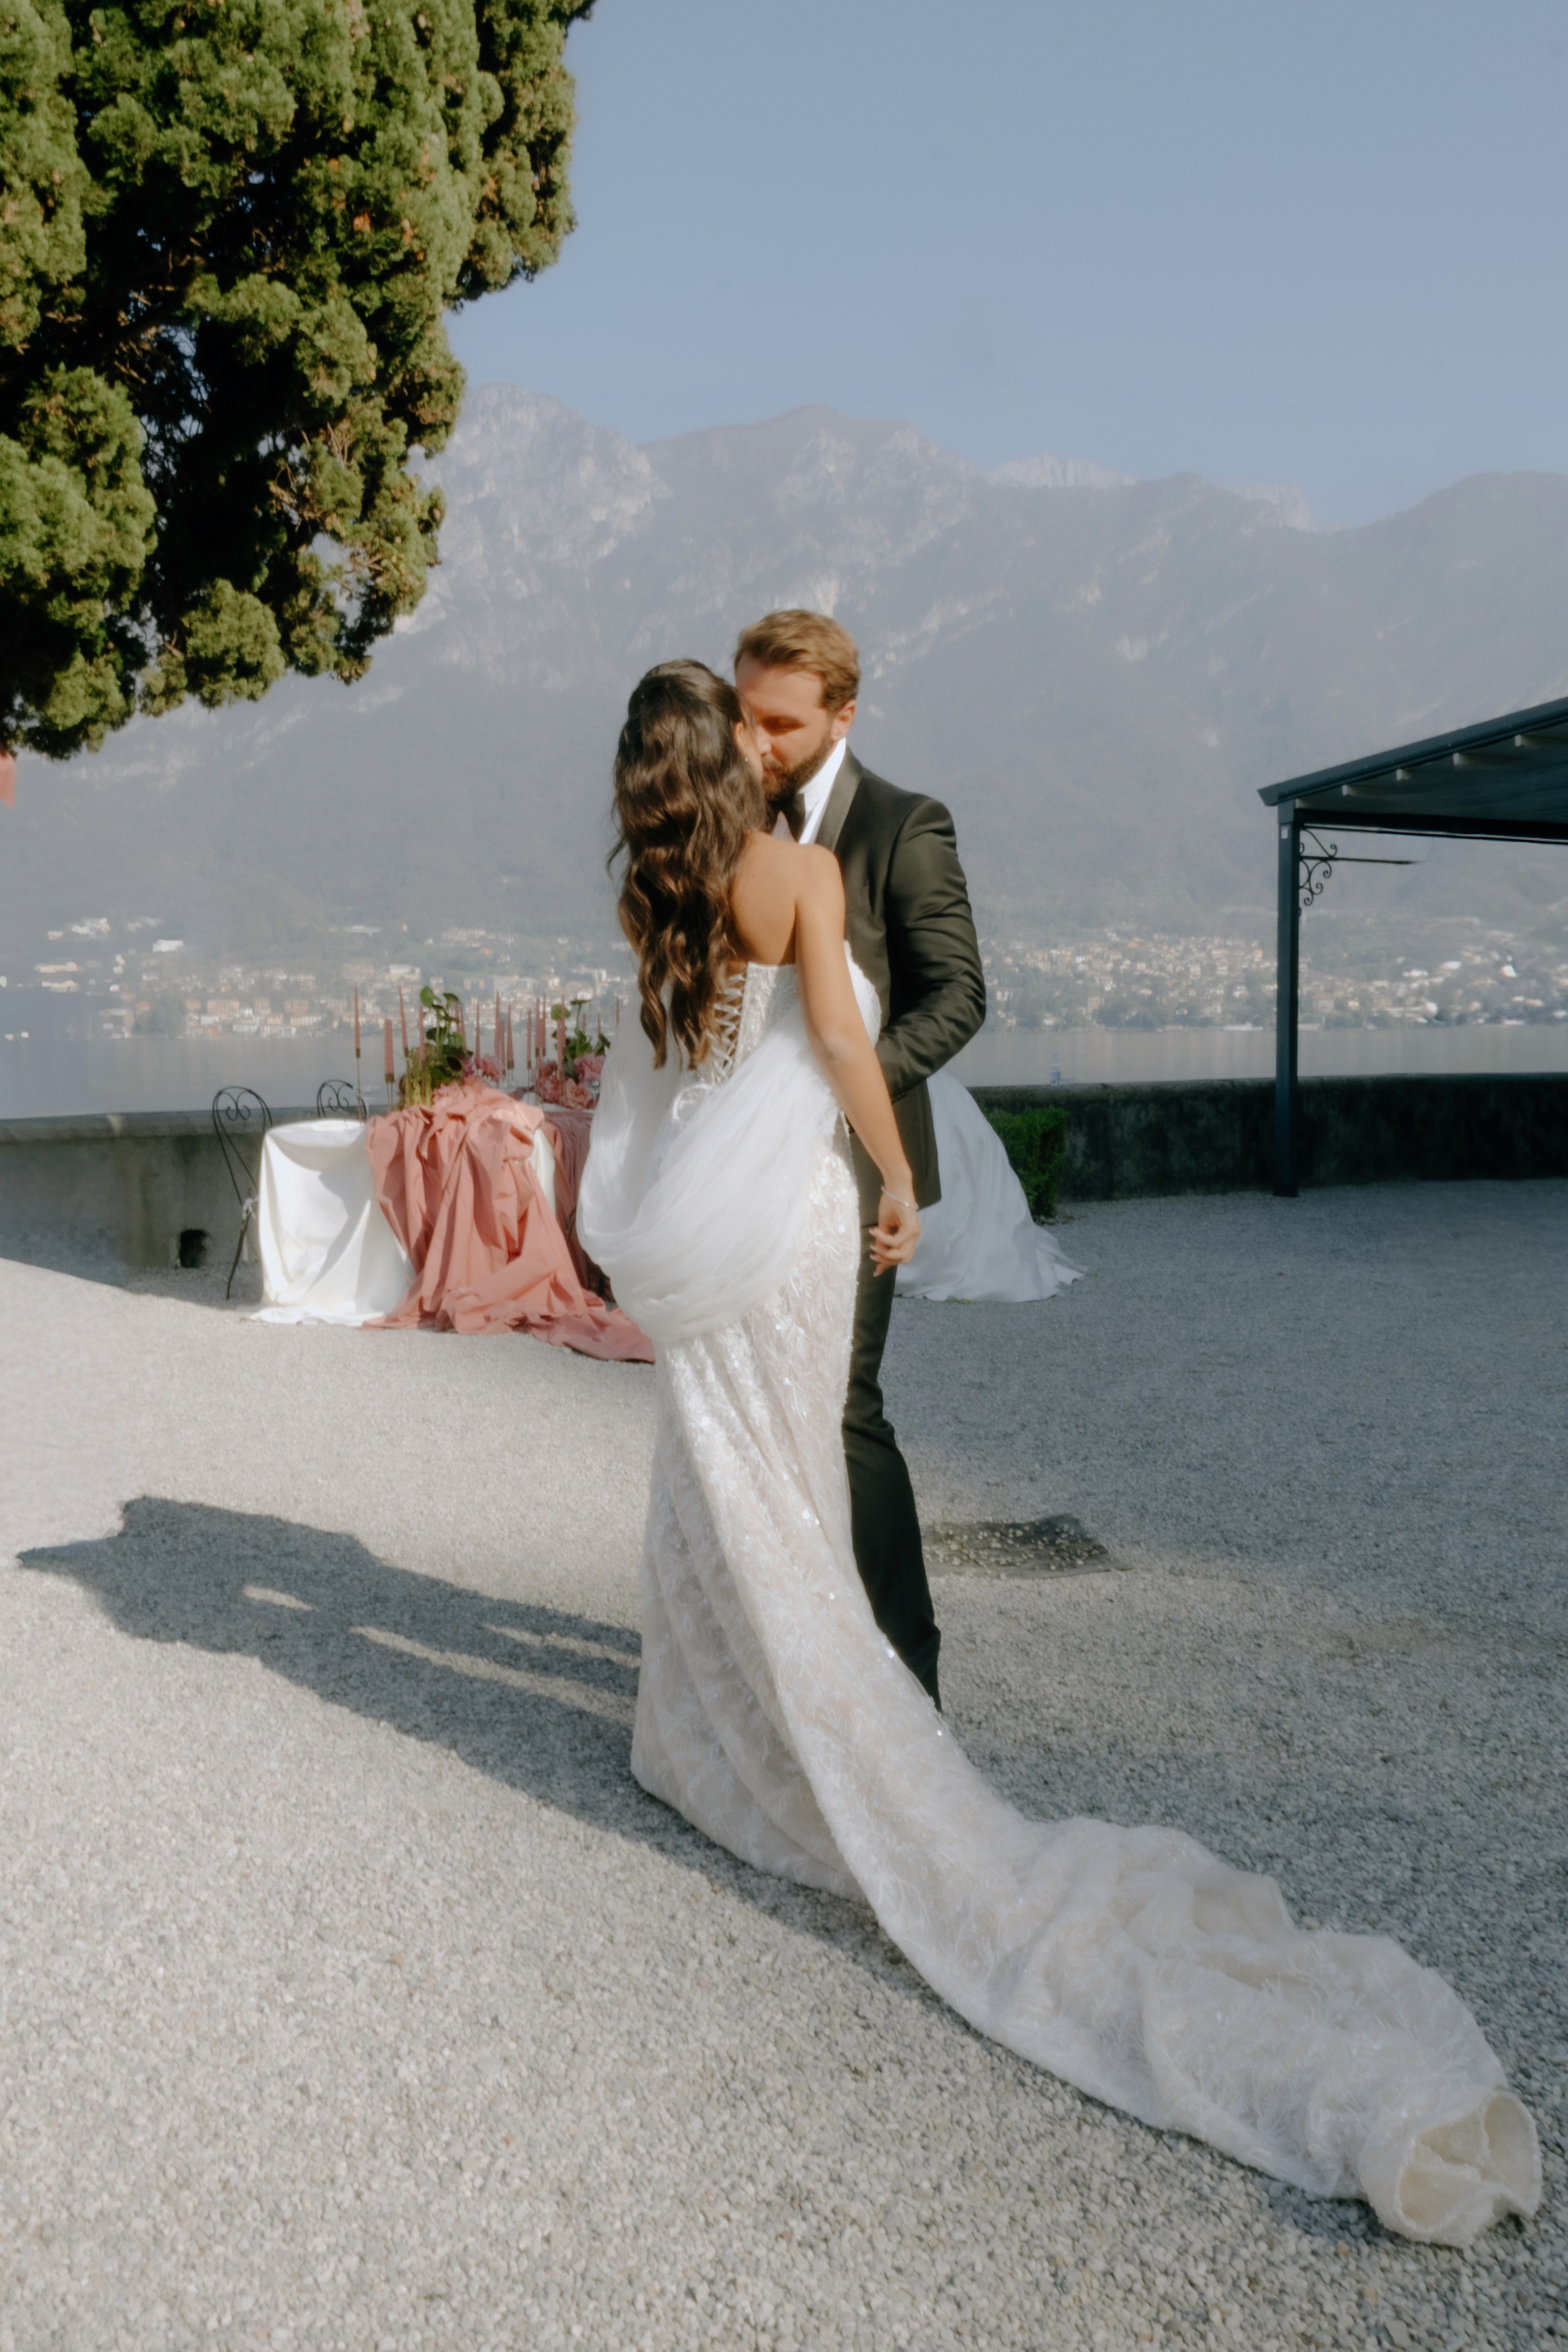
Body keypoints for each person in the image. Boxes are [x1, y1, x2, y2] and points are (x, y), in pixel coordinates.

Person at [576, 659, 1539, 2249]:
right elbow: (836, 1037)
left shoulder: (652, 899)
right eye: (738, 719)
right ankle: (841, 1746)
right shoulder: (798, 869)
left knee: (721, 1481)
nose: (762, 735)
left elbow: (671, 1083)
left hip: (706, 1246)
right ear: (718, 749)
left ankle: (706, 1733)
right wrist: (903, 1186)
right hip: (800, 1229)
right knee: (790, 1488)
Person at [733, 610, 985, 1704]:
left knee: (845, 1404)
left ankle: (907, 1671)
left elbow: (959, 998)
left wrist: (839, 1095)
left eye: (782, 722)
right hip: (740, 1175)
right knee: (751, 1406)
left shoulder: (902, 822)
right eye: (744, 715)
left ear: (844, 713)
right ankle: (782, 1642)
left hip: (844, 1169)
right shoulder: (722, 821)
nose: (760, 743)